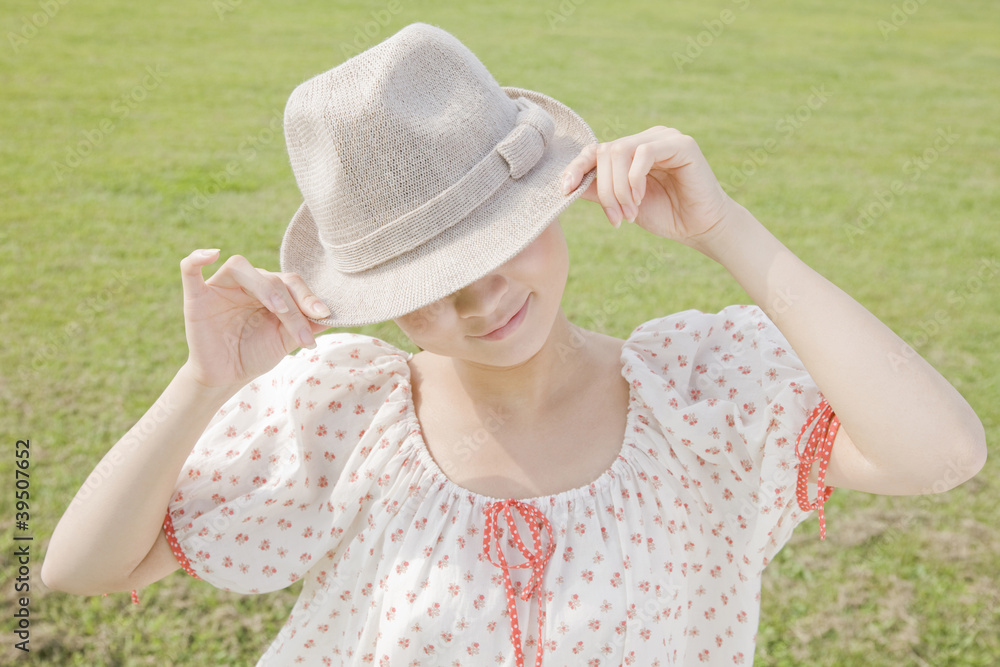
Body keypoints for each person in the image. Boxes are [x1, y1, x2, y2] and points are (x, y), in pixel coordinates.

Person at [42, 22, 986, 666]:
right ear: (370, 299)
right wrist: (203, 382)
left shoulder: (697, 396)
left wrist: (724, 227)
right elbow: (79, 568)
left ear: (552, 201)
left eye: (500, 239)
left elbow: (942, 452)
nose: (483, 297)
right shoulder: (345, 415)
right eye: (426, 283)